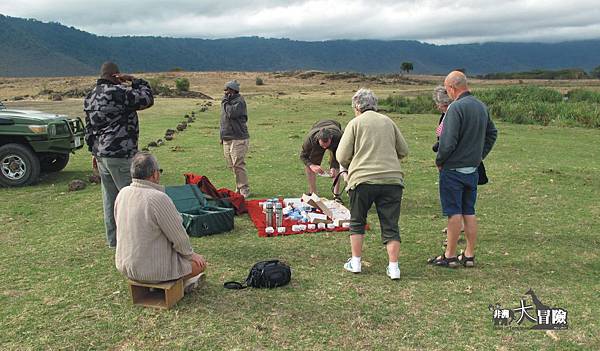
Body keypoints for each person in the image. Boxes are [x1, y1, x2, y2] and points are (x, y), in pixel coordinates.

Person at [336, 88, 409, 280]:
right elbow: (404, 150)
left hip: (362, 181)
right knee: (390, 224)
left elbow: (341, 156)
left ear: (357, 106)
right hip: (392, 180)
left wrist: (354, 162)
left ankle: (356, 262)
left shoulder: (355, 123)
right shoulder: (388, 121)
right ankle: (394, 268)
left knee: (358, 221)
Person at [428, 71, 497, 268]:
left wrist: (440, 160)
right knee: (469, 211)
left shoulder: (455, 108)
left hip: (453, 169)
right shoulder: (481, 106)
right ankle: (469, 254)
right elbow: (492, 133)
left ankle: (449, 255)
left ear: (452, 87)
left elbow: (447, 143)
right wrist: (479, 155)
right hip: (472, 169)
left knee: (454, 212)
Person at [84, 61, 154, 248]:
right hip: (120, 154)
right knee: (132, 198)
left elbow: (89, 128)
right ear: (116, 76)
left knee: (110, 199)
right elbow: (147, 99)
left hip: (102, 155)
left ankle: (114, 241)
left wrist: (94, 151)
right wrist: (135, 80)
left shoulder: (90, 96)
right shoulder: (118, 92)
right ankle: (135, 242)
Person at [115, 152, 206, 291]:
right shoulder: (158, 198)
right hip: (152, 271)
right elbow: (179, 237)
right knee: (200, 264)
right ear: (154, 174)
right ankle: (182, 285)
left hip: (126, 267)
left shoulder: (123, 193)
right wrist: (191, 255)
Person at [220, 80, 251, 198]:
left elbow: (231, 113)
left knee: (238, 164)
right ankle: (238, 187)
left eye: (227, 90)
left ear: (233, 90)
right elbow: (223, 120)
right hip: (227, 137)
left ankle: (244, 189)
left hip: (238, 137)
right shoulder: (227, 102)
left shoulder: (239, 102)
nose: (225, 92)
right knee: (232, 164)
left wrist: (225, 102)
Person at [299, 120, 344, 199]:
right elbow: (303, 156)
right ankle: (313, 193)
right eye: (322, 146)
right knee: (311, 163)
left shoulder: (339, 137)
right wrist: (312, 165)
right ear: (318, 140)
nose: (325, 148)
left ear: (331, 138)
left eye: (326, 146)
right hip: (318, 126)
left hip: (334, 130)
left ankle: (336, 195)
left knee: (336, 165)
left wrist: (333, 166)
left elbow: (341, 156)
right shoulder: (310, 139)